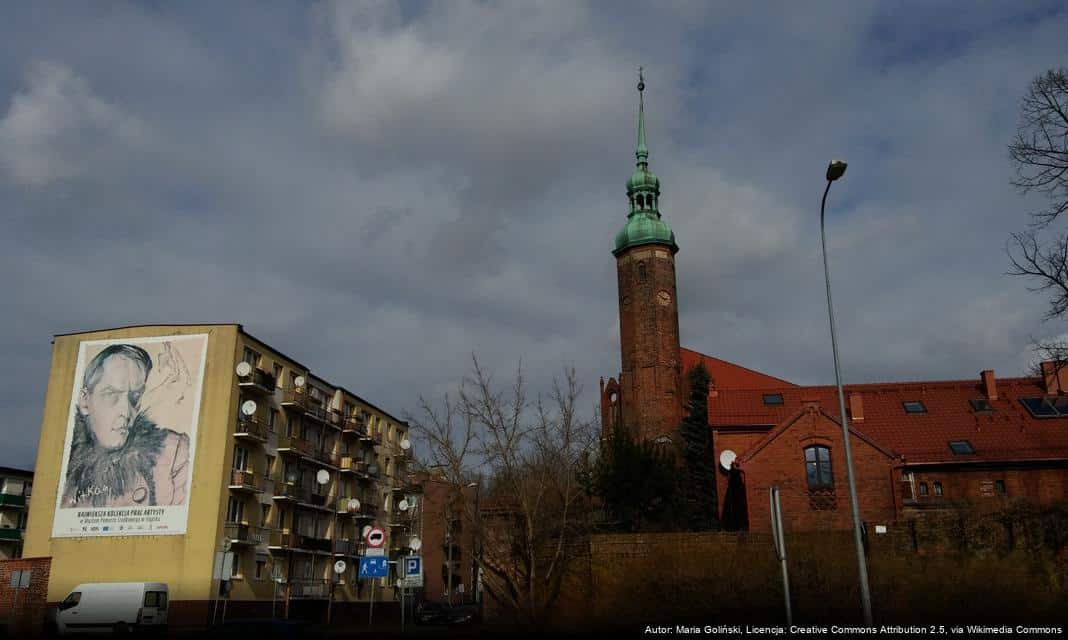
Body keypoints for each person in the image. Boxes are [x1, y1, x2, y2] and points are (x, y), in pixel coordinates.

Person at [62, 343, 190, 508]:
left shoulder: (173, 452)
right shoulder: (65, 466)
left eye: (135, 396)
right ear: (85, 401)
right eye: (111, 394)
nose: (126, 411)